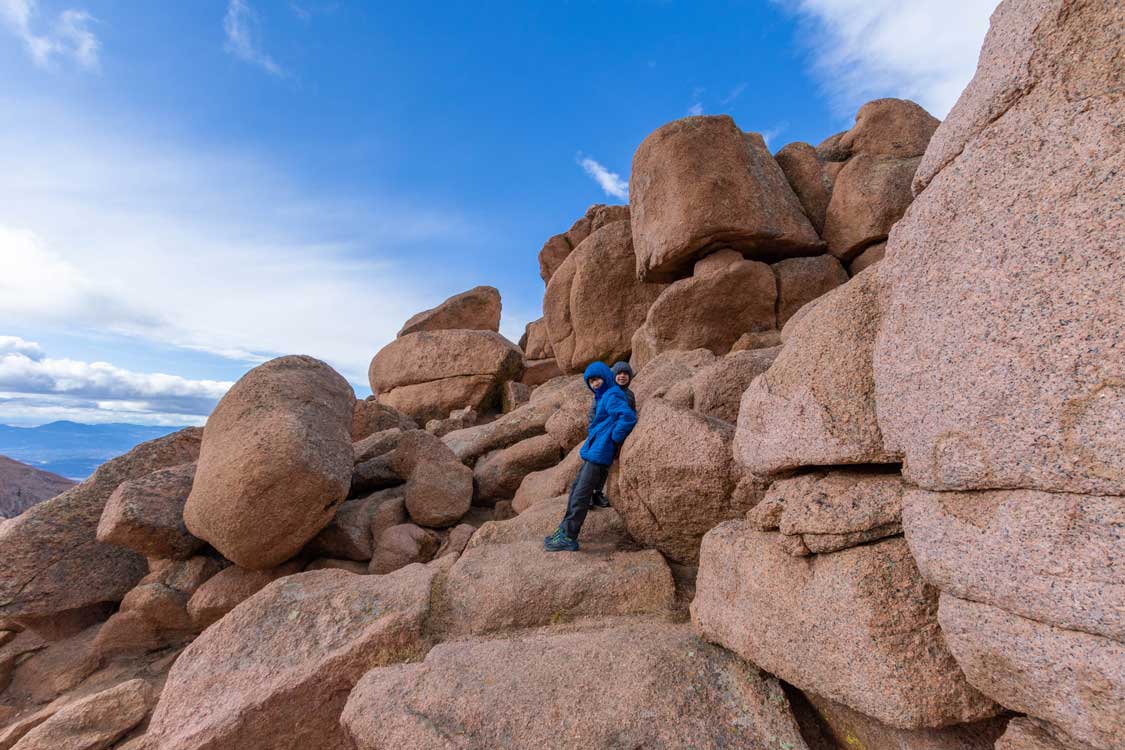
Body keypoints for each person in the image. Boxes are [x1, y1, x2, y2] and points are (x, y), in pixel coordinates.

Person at [544, 361, 637, 552]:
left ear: (606, 376)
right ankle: (563, 530)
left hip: (600, 452)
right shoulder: (603, 396)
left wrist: (615, 437)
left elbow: (627, 416)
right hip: (594, 451)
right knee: (576, 488)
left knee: (581, 494)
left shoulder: (612, 394)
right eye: (591, 381)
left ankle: (569, 536)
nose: (595, 384)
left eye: (597, 379)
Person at [590, 361, 634, 509]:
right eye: (619, 373)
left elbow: (631, 414)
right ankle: (589, 493)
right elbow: (594, 414)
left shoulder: (629, 394)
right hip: (603, 434)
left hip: (619, 435)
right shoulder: (606, 391)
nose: (622, 376)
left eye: (625, 374)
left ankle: (598, 493)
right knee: (596, 464)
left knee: (607, 465)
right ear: (613, 376)